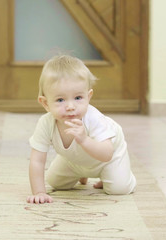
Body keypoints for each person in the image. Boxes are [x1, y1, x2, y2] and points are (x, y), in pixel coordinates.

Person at [27, 55, 136, 204]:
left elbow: (107, 154)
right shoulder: (46, 123)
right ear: (45, 103)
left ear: (89, 96)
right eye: (60, 100)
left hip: (108, 157)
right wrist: (39, 192)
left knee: (119, 189)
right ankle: (80, 171)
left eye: (78, 98)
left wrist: (84, 139)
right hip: (75, 160)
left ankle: (114, 174)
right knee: (55, 183)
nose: (71, 106)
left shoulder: (94, 119)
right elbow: (37, 161)